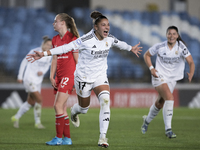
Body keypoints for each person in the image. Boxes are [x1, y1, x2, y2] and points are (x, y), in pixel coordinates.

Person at [27, 11, 142, 148]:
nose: (107, 27)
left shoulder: (109, 38)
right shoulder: (85, 40)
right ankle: (74, 112)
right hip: (83, 78)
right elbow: (66, 47)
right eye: (103, 25)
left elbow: (119, 43)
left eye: (108, 25)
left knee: (105, 102)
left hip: (100, 77)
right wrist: (44, 54)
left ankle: (103, 137)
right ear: (96, 27)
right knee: (84, 108)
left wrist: (131, 48)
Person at [141, 26, 195, 138]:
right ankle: (168, 130)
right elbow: (146, 55)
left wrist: (191, 73)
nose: (171, 36)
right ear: (166, 35)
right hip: (159, 76)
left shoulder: (181, 47)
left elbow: (191, 62)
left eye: (174, 34)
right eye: (169, 33)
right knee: (170, 98)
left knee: (160, 103)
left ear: (177, 35)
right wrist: (152, 68)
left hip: (172, 79)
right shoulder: (160, 46)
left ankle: (146, 121)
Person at [46, 13, 79, 146]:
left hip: (69, 75)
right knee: (63, 108)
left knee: (57, 105)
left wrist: (77, 79)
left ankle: (58, 138)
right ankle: (67, 139)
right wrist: (52, 75)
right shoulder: (54, 39)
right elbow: (54, 58)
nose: (53, 23)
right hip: (59, 77)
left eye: (55, 21)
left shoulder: (73, 39)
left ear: (63, 23)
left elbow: (78, 60)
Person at [11, 36, 52, 129]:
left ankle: (16, 117)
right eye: (48, 44)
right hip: (29, 79)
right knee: (39, 99)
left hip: (38, 81)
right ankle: (38, 123)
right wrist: (20, 76)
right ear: (43, 44)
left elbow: (47, 66)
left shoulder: (49, 55)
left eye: (51, 45)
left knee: (30, 102)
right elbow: (24, 62)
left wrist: (43, 71)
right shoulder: (35, 51)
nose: (49, 46)